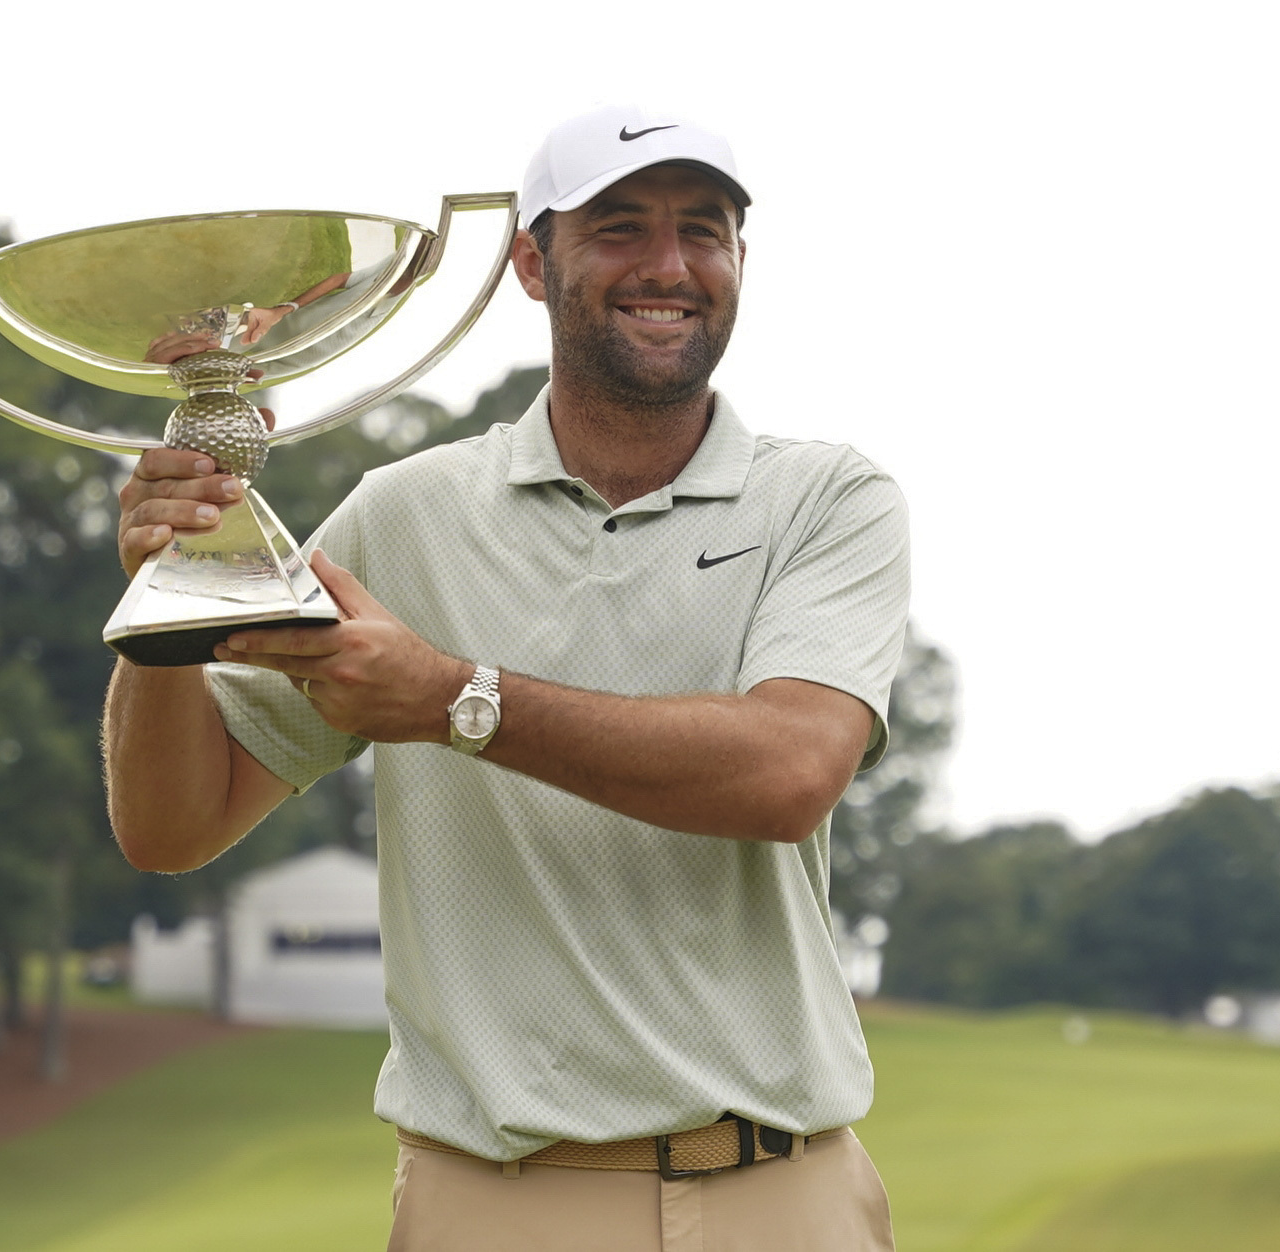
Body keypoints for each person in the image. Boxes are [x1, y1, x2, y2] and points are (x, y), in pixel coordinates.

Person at [105, 105, 910, 1252]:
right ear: (534, 263)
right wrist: (163, 601)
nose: (668, 265)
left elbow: (786, 773)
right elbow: (170, 826)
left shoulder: (828, 501)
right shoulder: (405, 512)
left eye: (704, 229)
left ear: (739, 260)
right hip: (492, 1200)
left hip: (780, 1195)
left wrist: (447, 700)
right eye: (618, 227)